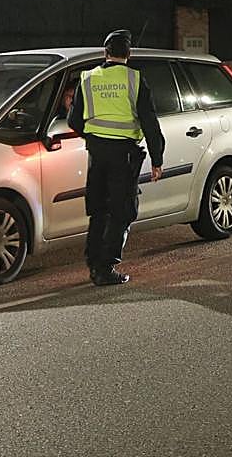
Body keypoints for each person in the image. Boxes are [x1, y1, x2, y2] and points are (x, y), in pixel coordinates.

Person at [67, 29, 164, 286]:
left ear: (105, 53)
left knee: (99, 210)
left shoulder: (87, 79)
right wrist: (157, 159)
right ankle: (105, 268)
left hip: (96, 155)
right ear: (128, 54)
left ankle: (93, 261)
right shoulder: (135, 79)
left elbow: (73, 120)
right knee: (122, 212)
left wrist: (93, 136)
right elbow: (150, 122)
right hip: (124, 156)